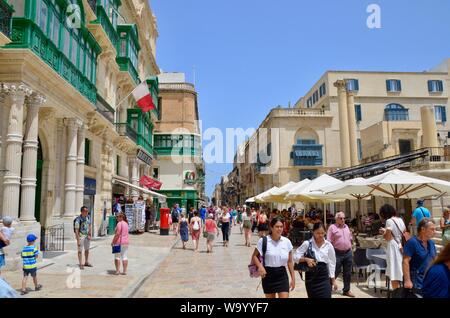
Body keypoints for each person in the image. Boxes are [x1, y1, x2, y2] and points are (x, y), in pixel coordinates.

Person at [251, 217, 295, 298]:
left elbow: (290, 262)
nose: (279, 229)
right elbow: (254, 256)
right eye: (277, 226)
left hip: (282, 275)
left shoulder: (287, 242)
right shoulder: (263, 241)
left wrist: (293, 278)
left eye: (281, 226)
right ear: (271, 227)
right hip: (268, 275)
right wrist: (260, 267)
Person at [294, 222, 337, 298]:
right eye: (318, 233)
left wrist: (333, 280)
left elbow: (332, 263)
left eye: (322, 233)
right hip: (311, 277)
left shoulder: (328, 245)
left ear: (325, 232)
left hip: (324, 276)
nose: (320, 235)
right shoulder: (307, 244)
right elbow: (295, 257)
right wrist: (306, 259)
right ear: (313, 232)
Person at [403, 218, 437, 294]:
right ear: (423, 229)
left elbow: (435, 260)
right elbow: (405, 261)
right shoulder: (412, 242)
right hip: (416, 282)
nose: (435, 232)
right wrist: (407, 280)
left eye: (435, 229)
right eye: (432, 229)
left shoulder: (431, 243)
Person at [327, 212, 355, 297]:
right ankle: (328, 288)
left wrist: (351, 244)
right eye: (341, 218)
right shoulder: (332, 227)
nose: (343, 220)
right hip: (337, 253)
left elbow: (350, 239)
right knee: (335, 271)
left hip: (348, 252)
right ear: (336, 219)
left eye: (344, 218)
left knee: (347, 273)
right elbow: (328, 241)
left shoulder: (346, 227)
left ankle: (346, 290)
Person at [379, 204, 406, 290]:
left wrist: (384, 232)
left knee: (394, 272)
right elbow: (404, 232)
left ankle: (397, 292)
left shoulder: (389, 221)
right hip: (401, 245)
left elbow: (387, 237)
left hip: (393, 247)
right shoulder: (401, 220)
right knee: (401, 270)